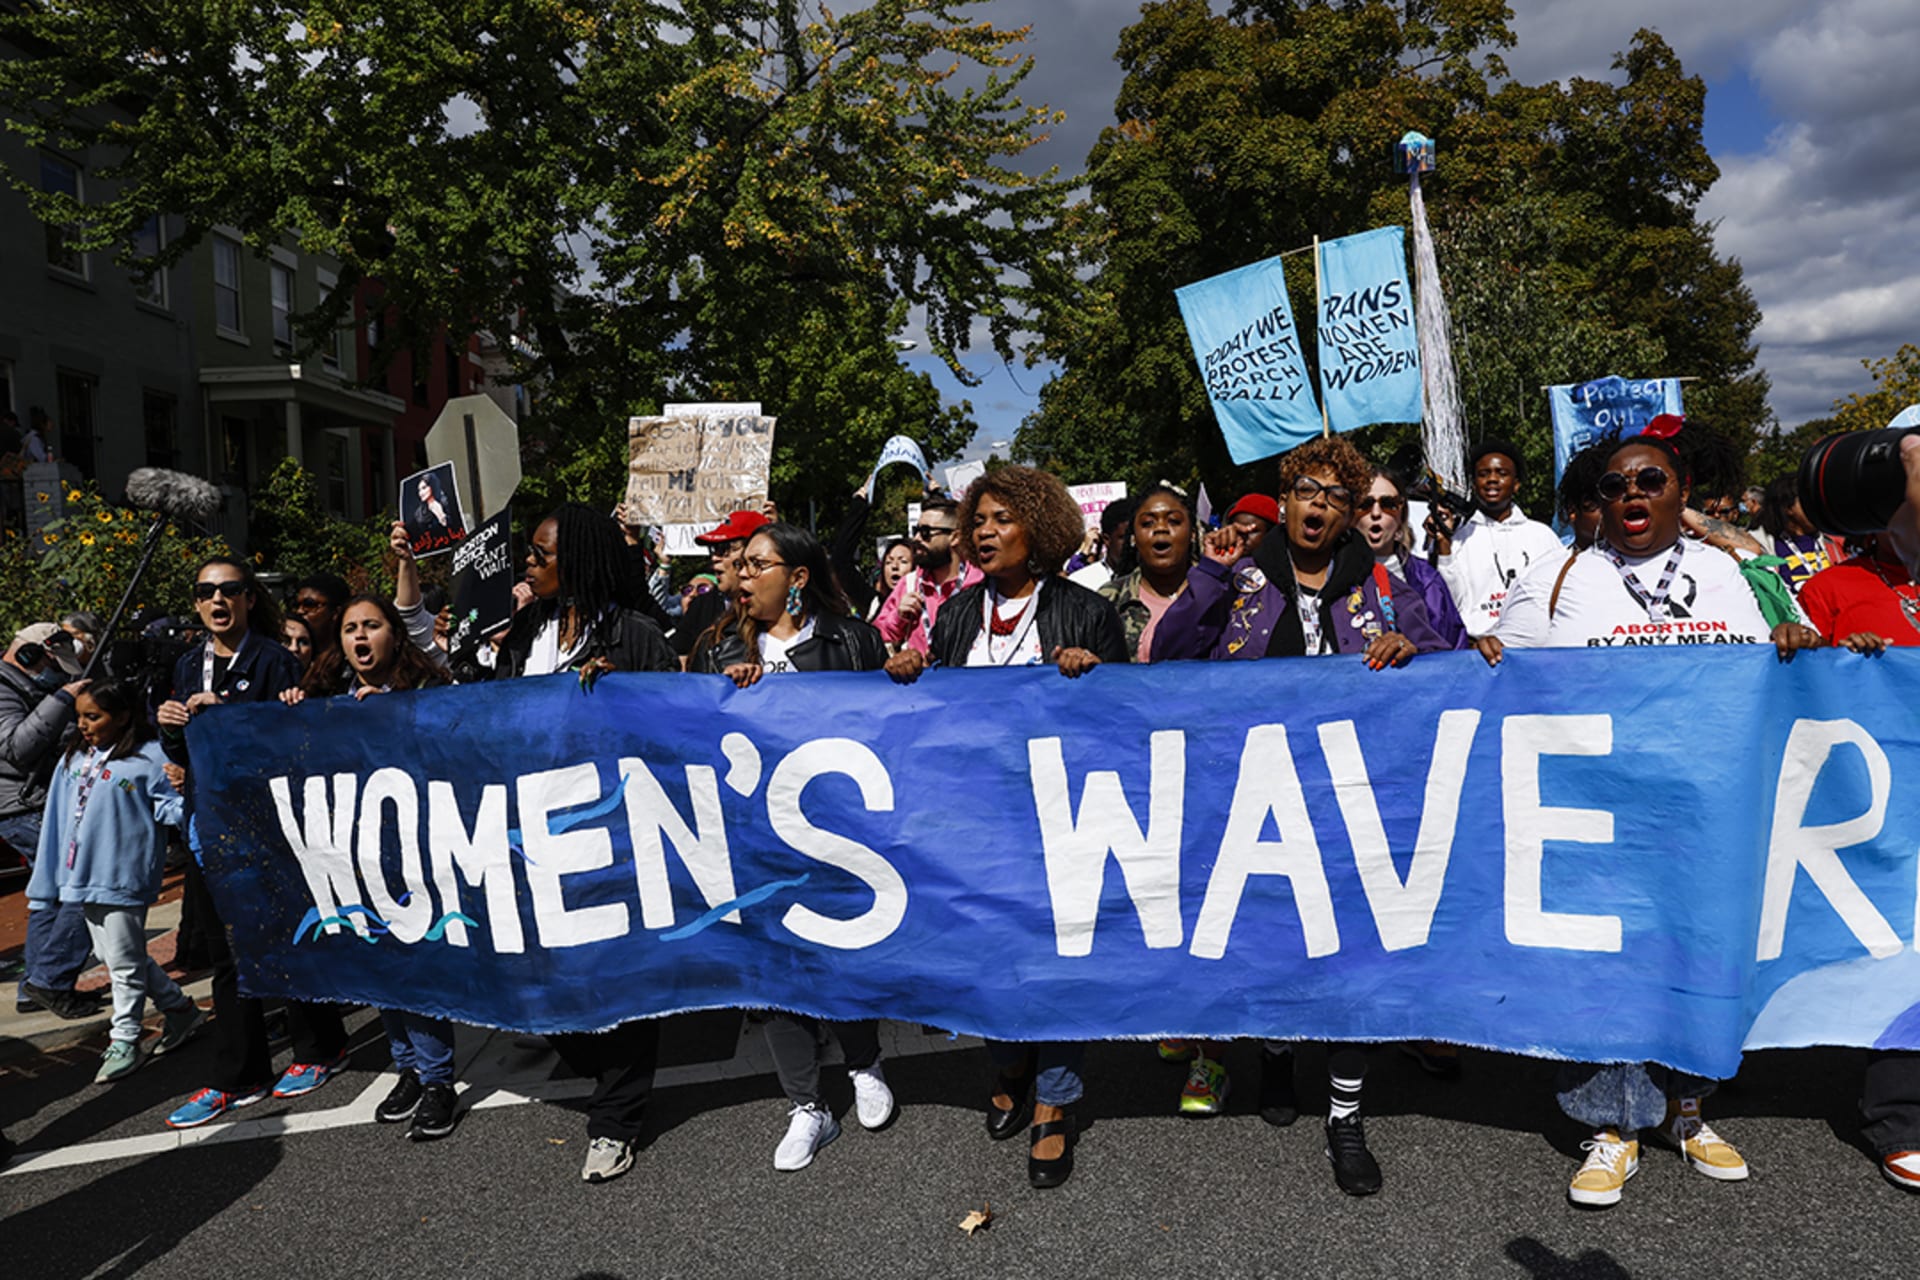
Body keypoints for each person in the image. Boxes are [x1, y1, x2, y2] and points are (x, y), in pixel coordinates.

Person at [1477, 430, 1822, 1207]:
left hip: (1708, 807)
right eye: (1614, 486)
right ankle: (1611, 1125)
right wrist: (1483, 649)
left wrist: (1795, 639)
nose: (1632, 495)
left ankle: (1687, 1107)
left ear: (1681, 488)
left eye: (1650, 480)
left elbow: (1793, 652)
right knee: (1607, 968)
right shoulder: (1559, 578)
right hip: (1600, 814)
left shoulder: (1731, 571)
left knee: (1698, 954)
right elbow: (1495, 673)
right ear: (1596, 500)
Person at [1151, 437, 1445, 1197]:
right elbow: (1173, 653)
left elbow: (1443, 656)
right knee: (1269, 939)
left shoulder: (1382, 582)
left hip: (1352, 798)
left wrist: (1409, 643)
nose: (1320, 505)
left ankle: (1345, 1115)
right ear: (1284, 500)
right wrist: (1210, 576)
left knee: (1351, 956)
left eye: (1336, 496)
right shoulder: (1238, 576)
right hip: (1253, 797)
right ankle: (1276, 1059)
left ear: (1352, 514)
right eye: (1308, 490)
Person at [885, 465, 1127, 1190]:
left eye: (999, 520)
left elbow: (1130, 723)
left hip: (1063, 826)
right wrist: (908, 671)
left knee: (1056, 964)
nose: (983, 533)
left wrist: (1095, 675)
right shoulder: (957, 615)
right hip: (977, 827)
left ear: (1039, 529)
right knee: (990, 955)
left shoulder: (1084, 612)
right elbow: (935, 718)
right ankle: (1008, 1055)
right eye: (977, 522)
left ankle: (1054, 1103)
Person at [697, 522, 897, 1169]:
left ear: (798, 578)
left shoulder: (852, 640)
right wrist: (729, 696)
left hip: (842, 836)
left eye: (758, 564)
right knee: (773, 977)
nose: (743, 575)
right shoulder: (717, 649)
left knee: (844, 954)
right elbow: (693, 741)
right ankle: (806, 1106)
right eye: (741, 565)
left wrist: (901, 677)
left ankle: (864, 1065)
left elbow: (892, 728)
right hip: (757, 842)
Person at [494, 503, 677, 1182]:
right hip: (534, 833)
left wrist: (616, 697)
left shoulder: (634, 637)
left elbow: (673, 731)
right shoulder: (523, 636)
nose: (529, 565)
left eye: (541, 555)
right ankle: (592, 1059)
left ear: (578, 563)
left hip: (614, 837)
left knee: (621, 983)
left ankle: (615, 1121)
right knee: (552, 979)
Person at [159, 556, 351, 1129]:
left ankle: (320, 1047)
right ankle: (239, 1073)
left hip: (266, 828)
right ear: (196, 603)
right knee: (225, 954)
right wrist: (172, 728)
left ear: (247, 599)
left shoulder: (273, 660)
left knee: (284, 937)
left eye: (230, 590)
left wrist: (231, 716)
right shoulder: (189, 664)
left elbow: (290, 746)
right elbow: (180, 756)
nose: (217, 601)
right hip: (208, 825)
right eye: (205, 592)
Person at [283, 595, 460, 1140]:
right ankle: (406, 1067)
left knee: (415, 962)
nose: (360, 638)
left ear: (395, 635)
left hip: (413, 854)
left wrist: (391, 716)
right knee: (379, 963)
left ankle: (438, 1081)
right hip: (352, 854)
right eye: (350, 628)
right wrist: (294, 712)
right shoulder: (325, 695)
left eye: (372, 626)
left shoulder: (426, 691)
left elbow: (454, 751)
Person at [27, 680, 205, 1083]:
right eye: (80, 718)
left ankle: (124, 1039)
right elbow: (59, 816)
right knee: (115, 957)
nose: (84, 726)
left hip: (124, 876)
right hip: (81, 877)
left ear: (123, 716)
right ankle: (180, 1010)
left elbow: (174, 812)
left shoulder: (150, 757)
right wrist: (52, 877)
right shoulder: (74, 758)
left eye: (94, 717)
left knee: (123, 964)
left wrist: (185, 789)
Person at [2, 623, 94, 1019]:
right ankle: (51, 980)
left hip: (39, 803)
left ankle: (34, 986)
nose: (59, 674)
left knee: (49, 897)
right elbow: (17, 749)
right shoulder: (4, 689)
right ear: (29, 655)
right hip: (23, 808)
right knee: (87, 884)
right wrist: (60, 699)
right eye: (54, 664)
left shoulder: (29, 688)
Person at [1426, 438, 1564, 637]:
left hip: (1531, 650)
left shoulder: (1542, 536)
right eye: (1483, 474)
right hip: (1474, 651)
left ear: (1516, 484)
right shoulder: (1455, 537)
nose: (1492, 479)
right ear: (1474, 484)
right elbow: (1447, 603)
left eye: (1502, 473)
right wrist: (1443, 546)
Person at [1355, 467, 1467, 650]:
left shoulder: (1427, 579)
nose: (1376, 513)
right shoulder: (1329, 573)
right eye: (1365, 504)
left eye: (1388, 504)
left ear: (1402, 516)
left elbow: (1452, 649)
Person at [873, 496, 982, 654]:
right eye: (916, 531)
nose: (916, 539)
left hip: (965, 677)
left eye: (925, 532)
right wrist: (899, 617)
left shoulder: (981, 583)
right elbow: (877, 636)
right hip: (923, 678)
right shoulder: (909, 584)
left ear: (955, 537)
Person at [1101, 483, 1196, 662]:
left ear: (1192, 533)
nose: (1161, 528)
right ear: (1133, 537)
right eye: (1148, 523)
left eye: (1174, 521)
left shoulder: (1218, 592)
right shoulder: (1108, 600)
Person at [674, 510, 766, 663]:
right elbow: (679, 660)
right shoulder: (702, 605)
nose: (714, 557)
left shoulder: (780, 610)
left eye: (724, 549)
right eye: (713, 549)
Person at [1759, 475, 1847, 599]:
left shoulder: (1836, 541)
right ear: (1788, 508)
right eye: (1809, 500)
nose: (1817, 506)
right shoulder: (1764, 546)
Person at [1065, 497, 1136, 592]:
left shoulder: (1157, 583)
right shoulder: (1081, 583)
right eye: (1125, 538)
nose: (1132, 544)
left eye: (1137, 536)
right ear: (1106, 539)